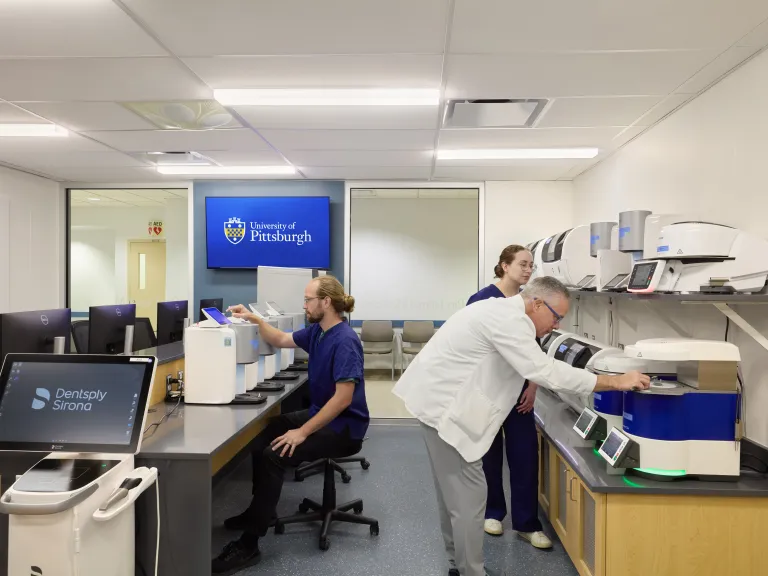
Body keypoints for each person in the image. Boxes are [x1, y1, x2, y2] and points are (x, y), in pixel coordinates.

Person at [393, 277, 650, 576]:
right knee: (469, 500)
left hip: (436, 405)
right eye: (556, 317)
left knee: (453, 497)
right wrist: (614, 381)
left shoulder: (502, 312)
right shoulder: (508, 319)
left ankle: (458, 563)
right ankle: (469, 571)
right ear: (537, 303)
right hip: (444, 413)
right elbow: (542, 370)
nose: (556, 325)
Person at [212, 275, 370, 574]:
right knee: (269, 430)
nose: (304, 304)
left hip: (344, 428)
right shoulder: (318, 332)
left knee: (275, 454)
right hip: (322, 414)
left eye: (309, 299)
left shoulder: (345, 341)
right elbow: (281, 339)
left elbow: (343, 400)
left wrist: (302, 432)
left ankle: (249, 544)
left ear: (326, 301)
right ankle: (260, 511)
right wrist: (254, 320)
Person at [467, 245, 551, 549]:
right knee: (488, 457)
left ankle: (527, 524)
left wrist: (532, 385)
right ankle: (493, 513)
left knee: (525, 457)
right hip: (489, 393)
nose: (528, 270)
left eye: (532, 266)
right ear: (504, 266)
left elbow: (534, 349)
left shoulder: (530, 303)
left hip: (520, 397)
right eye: (523, 264)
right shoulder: (481, 300)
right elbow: (473, 350)